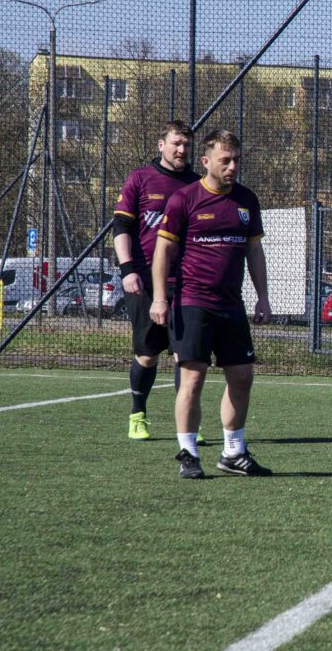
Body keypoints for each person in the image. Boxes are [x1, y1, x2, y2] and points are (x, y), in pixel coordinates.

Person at [150, 130, 273, 479]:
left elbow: (254, 251)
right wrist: (159, 298)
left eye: (237, 160)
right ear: (206, 162)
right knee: (192, 378)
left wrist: (263, 297)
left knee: (242, 376)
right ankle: (188, 453)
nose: (233, 166)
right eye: (225, 160)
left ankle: (233, 452)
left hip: (232, 305)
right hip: (192, 302)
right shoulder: (184, 199)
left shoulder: (247, 200)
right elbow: (163, 250)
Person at [113, 120, 200, 442]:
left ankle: (187, 426)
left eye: (186, 145)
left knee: (185, 356)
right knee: (148, 354)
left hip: (185, 283)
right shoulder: (140, 179)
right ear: (161, 145)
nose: (182, 150)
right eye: (176, 143)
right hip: (145, 282)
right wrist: (127, 270)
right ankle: (138, 415)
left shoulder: (197, 184)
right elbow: (121, 228)